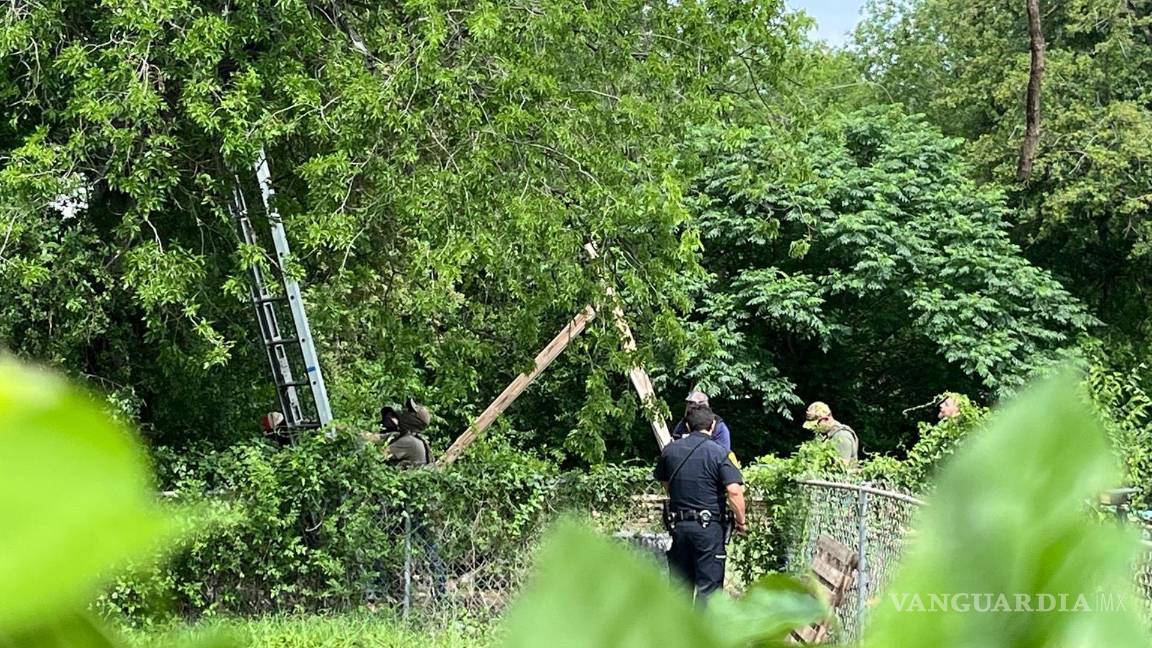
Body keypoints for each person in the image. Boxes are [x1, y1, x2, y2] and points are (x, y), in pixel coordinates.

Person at [654, 406, 747, 604]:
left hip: (679, 526)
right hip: (709, 528)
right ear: (713, 426)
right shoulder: (720, 452)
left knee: (679, 589)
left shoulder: (670, 450)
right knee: (709, 590)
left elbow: (665, 483)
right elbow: (734, 490)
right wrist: (741, 522)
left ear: (687, 426)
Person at [672, 390, 735, 461]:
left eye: (692, 403)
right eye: (689, 403)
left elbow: (724, 454)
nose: (689, 406)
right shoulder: (684, 423)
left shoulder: (718, 425)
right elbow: (675, 443)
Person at [803, 401, 859, 467]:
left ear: (826, 419)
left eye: (816, 425)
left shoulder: (842, 436)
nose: (814, 428)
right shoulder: (823, 434)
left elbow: (841, 468)